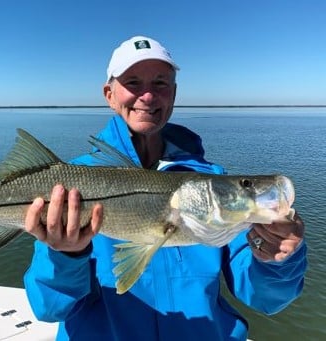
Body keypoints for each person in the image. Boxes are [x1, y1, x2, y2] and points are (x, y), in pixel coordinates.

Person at [22, 35, 307, 340]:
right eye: (133, 82)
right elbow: (48, 308)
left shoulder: (213, 183)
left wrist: (277, 258)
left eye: (160, 83)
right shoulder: (70, 185)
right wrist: (66, 256)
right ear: (109, 94)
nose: (147, 96)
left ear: (173, 92)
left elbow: (266, 299)